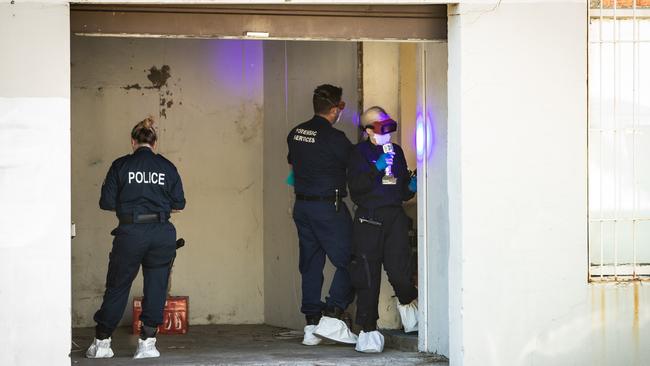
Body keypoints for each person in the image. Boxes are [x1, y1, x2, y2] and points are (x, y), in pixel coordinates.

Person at [86, 116, 186, 359]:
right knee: (156, 287)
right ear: (154, 143)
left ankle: (102, 344)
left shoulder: (120, 166)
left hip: (130, 232)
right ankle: (148, 343)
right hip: (162, 233)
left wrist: (131, 206)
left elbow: (106, 202)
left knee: (118, 286)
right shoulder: (167, 167)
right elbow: (179, 204)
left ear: (132, 141)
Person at [286, 84, 357, 346]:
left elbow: (293, 164)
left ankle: (311, 325)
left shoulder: (296, 133)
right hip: (329, 207)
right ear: (336, 109)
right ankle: (333, 315)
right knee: (354, 258)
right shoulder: (335, 139)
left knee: (311, 265)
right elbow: (357, 166)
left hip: (302, 207)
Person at [347, 106, 418, 353]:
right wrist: (374, 168)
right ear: (368, 131)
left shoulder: (396, 151)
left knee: (400, 271)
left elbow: (401, 190)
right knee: (368, 277)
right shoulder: (358, 153)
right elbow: (355, 189)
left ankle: (411, 312)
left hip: (394, 216)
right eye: (380, 128)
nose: (386, 133)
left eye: (389, 126)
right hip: (368, 219)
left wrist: (412, 185)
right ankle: (368, 330)